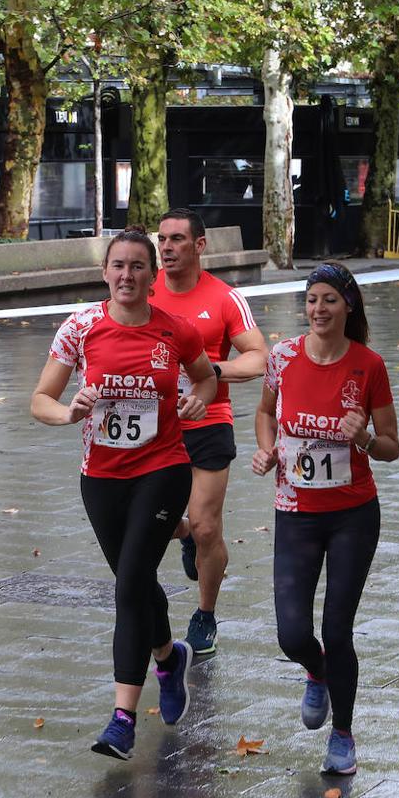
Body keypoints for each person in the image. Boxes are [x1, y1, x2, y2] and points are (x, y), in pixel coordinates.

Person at [31, 227, 218, 760]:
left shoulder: (175, 331)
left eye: (139, 266)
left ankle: (122, 718)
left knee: (130, 583)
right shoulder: (81, 328)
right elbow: (40, 399)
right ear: (104, 272)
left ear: (152, 274)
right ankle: (167, 654)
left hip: (163, 468)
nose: (127, 275)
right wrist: (69, 411)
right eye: (118, 265)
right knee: (133, 584)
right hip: (102, 477)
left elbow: (205, 379)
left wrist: (198, 400)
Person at [252, 262, 399, 776]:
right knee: (293, 635)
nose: (318, 308)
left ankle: (343, 735)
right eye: (312, 299)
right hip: (295, 512)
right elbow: (266, 412)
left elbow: (391, 447)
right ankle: (316, 674)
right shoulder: (284, 356)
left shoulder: (369, 365)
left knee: (338, 631)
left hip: (352, 515)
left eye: (329, 300)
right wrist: (267, 450)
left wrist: (362, 437)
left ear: (348, 306)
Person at [149, 208, 267, 655]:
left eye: (177, 239)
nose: (167, 247)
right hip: (154, 426)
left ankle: (205, 614)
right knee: (156, 524)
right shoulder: (144, 291)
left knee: (206, 526)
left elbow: (258, 357)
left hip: (208, 420)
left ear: (199, 245)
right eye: (162, 239)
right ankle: (183, 536)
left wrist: (211, 372)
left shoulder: (223, 298)